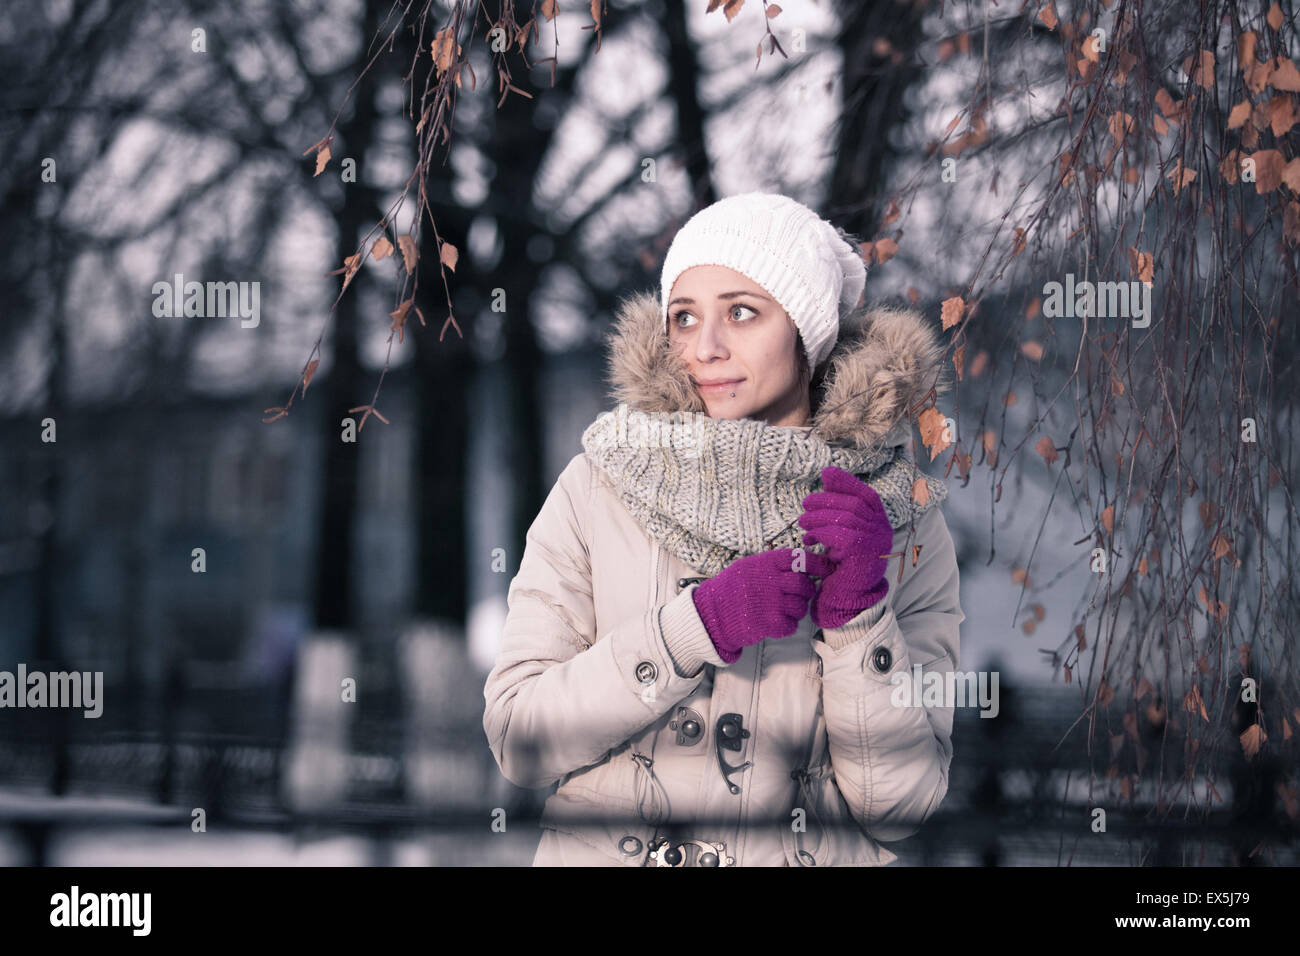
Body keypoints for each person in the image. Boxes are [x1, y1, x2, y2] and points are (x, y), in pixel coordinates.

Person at [482, 191, 964, 866]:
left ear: (807, 329)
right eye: (684, 317)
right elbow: (520, 739)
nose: (704, 348)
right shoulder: (601, 485)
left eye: (741, 312)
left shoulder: (898, 517)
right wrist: (693, 629)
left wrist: (859, 620)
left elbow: (901, 806)